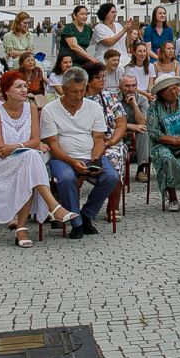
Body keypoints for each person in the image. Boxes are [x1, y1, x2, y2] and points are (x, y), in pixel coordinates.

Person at [0, 71, 67, 247]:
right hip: (1, 164)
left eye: (25, 86)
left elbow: (36, 140)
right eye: (18, 86)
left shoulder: (31, 108)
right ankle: (53, 206)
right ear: (7, 90)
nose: (24, 90)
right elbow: (0, 148)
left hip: (26, 160)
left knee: (30, 164)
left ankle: (22, 229)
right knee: (32, 157)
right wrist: (23, 147)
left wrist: (16, 146)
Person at [40, 69, 120, 238]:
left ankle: (87, 214)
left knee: (111, 177)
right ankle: (76, 222)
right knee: (67, 178)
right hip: (62, 157)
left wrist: (95, 160)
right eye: (73, 91)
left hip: (90, 155)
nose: (78, 96)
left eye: (82, 91)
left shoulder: (94, 107)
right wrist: (72, 161)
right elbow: (53, 145)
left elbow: (99, 139)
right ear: (64, 89)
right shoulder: (50, 110)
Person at [146, 72, 180, 211]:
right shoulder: (154, 107)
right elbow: (153, 132)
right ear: (162, 93)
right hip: (164, 143)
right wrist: (175, 140)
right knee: (165, 157)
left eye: (176, 87)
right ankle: (172, 198)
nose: (174, 91)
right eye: (170, 90)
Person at [2, 11, 39, 78]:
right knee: (27, 63)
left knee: (37, 63)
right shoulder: (8, 36)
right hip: (14, 61)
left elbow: (30, 52)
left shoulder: (29, 35)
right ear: (18, 23)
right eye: (24, 23)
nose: (26, 25)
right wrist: (26, 52)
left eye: (28, 23)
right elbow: (11, 53)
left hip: (28, 59)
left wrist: (17, 52)